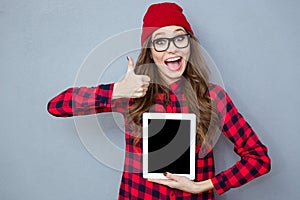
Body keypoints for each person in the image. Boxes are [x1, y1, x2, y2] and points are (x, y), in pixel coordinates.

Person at [47, 2, 271, 200]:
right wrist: (117, 90)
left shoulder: (213, 97)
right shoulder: (131, 94)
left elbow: (259, 159)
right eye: (160, 41)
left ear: (190, 45)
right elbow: (57, 106)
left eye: (179, 37)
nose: (172, 47)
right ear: (150, 51)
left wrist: (203, 186)